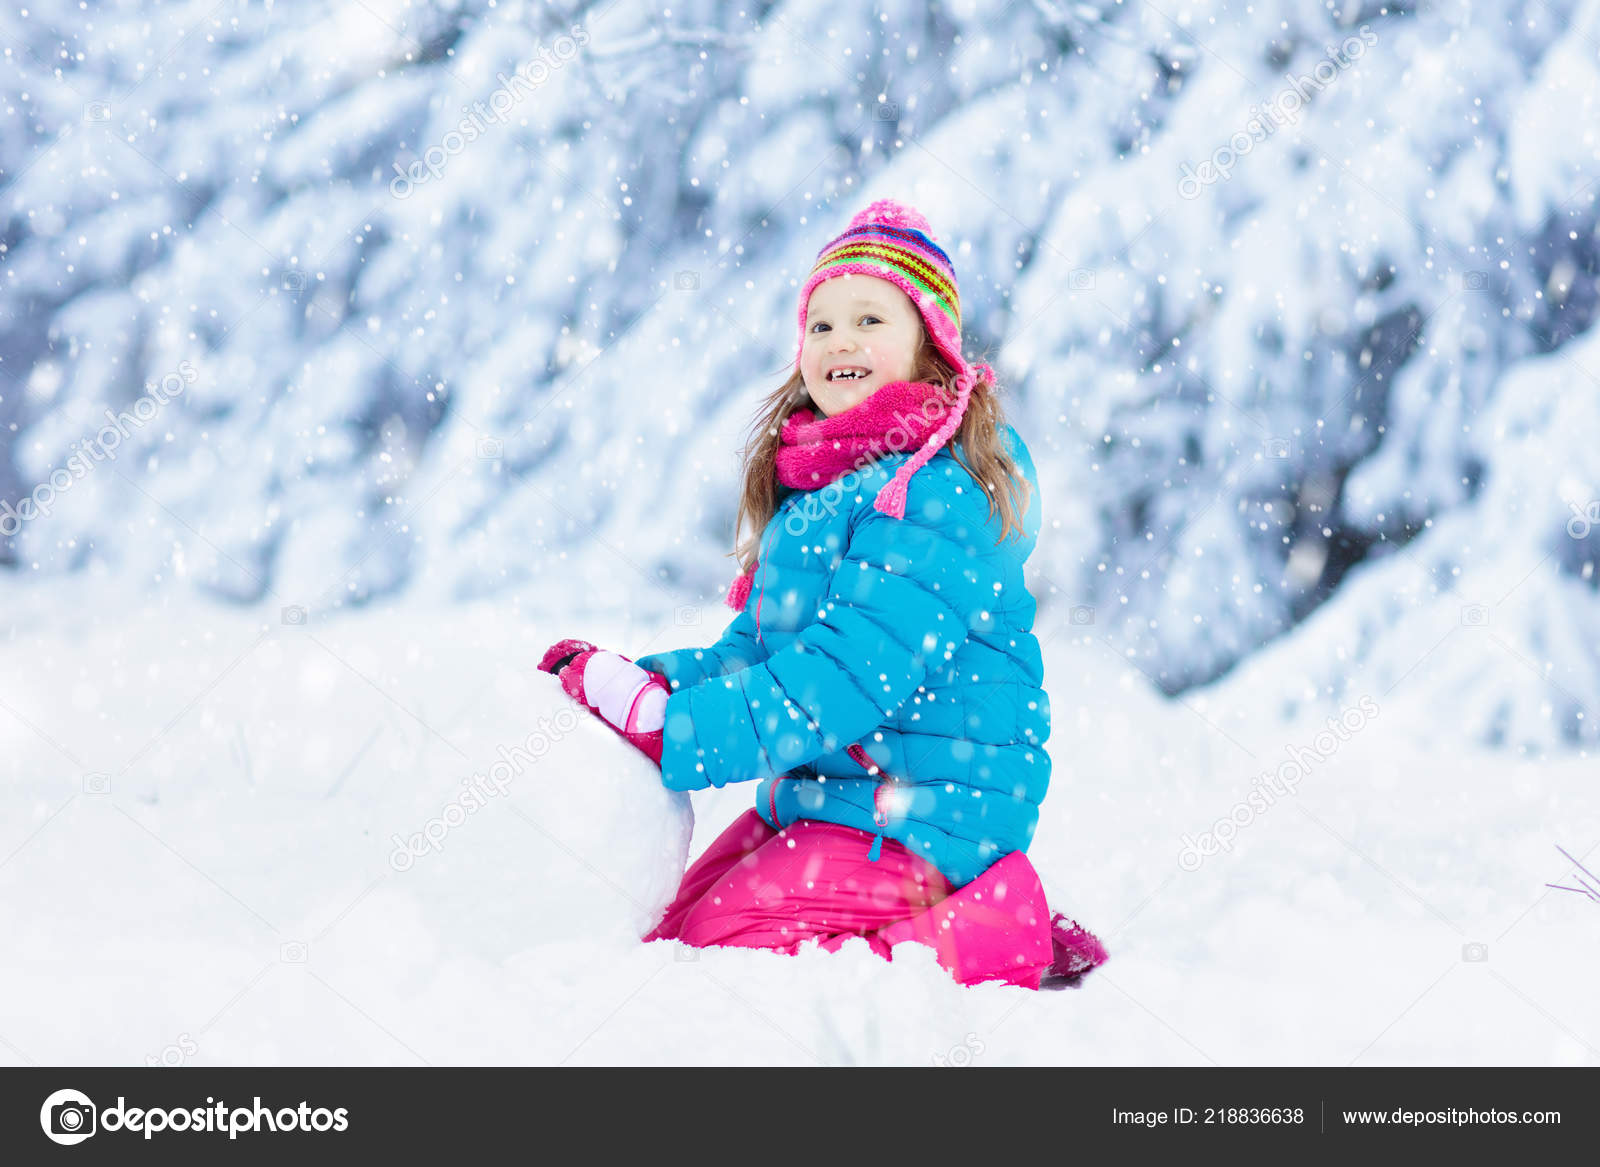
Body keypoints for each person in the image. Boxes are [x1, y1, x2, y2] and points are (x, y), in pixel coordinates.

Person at [539, 198, 1105, 989]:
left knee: (721, 956)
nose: (841, 340)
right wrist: (657, 684)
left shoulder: (933, 496)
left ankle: (993, 927)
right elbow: (761, 648)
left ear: (930, 348)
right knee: (671, 928)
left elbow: (845, 677)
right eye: (822, 325)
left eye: (870, 318)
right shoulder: (820, 494)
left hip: (927, 818)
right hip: (831, 802)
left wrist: (681, 732)